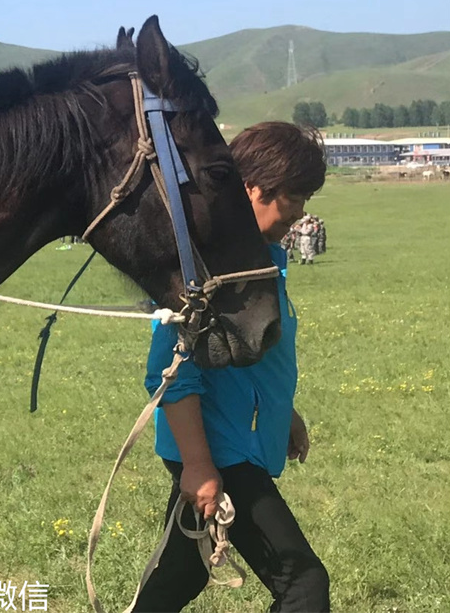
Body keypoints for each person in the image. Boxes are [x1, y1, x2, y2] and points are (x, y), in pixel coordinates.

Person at [134, 122, 330, 612]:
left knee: (178, 578)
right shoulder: (204, 268)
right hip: (219, 450)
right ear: (250, 189)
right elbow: (172, 371)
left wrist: (286, 413)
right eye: (294, 195)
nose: (302, 211)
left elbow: (251, 353)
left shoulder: (261, 260)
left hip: (231, 440)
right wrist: (200, 466)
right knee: (303, 582)